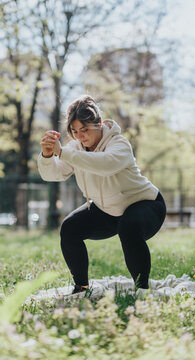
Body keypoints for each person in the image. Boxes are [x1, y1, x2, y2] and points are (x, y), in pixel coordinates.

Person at [38, 95, 166, 294]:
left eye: (85, 129)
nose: (80, 136)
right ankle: (81, 287)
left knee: (128, 227)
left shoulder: (119, 144)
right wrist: (47, 155)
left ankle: (142, 291)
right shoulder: (74, 148)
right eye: (74, 131)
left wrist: (63, 152)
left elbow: (105, 164)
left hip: (146, 205)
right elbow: (52, 174)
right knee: (70, 228)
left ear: (98, 123)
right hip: (108, 210)